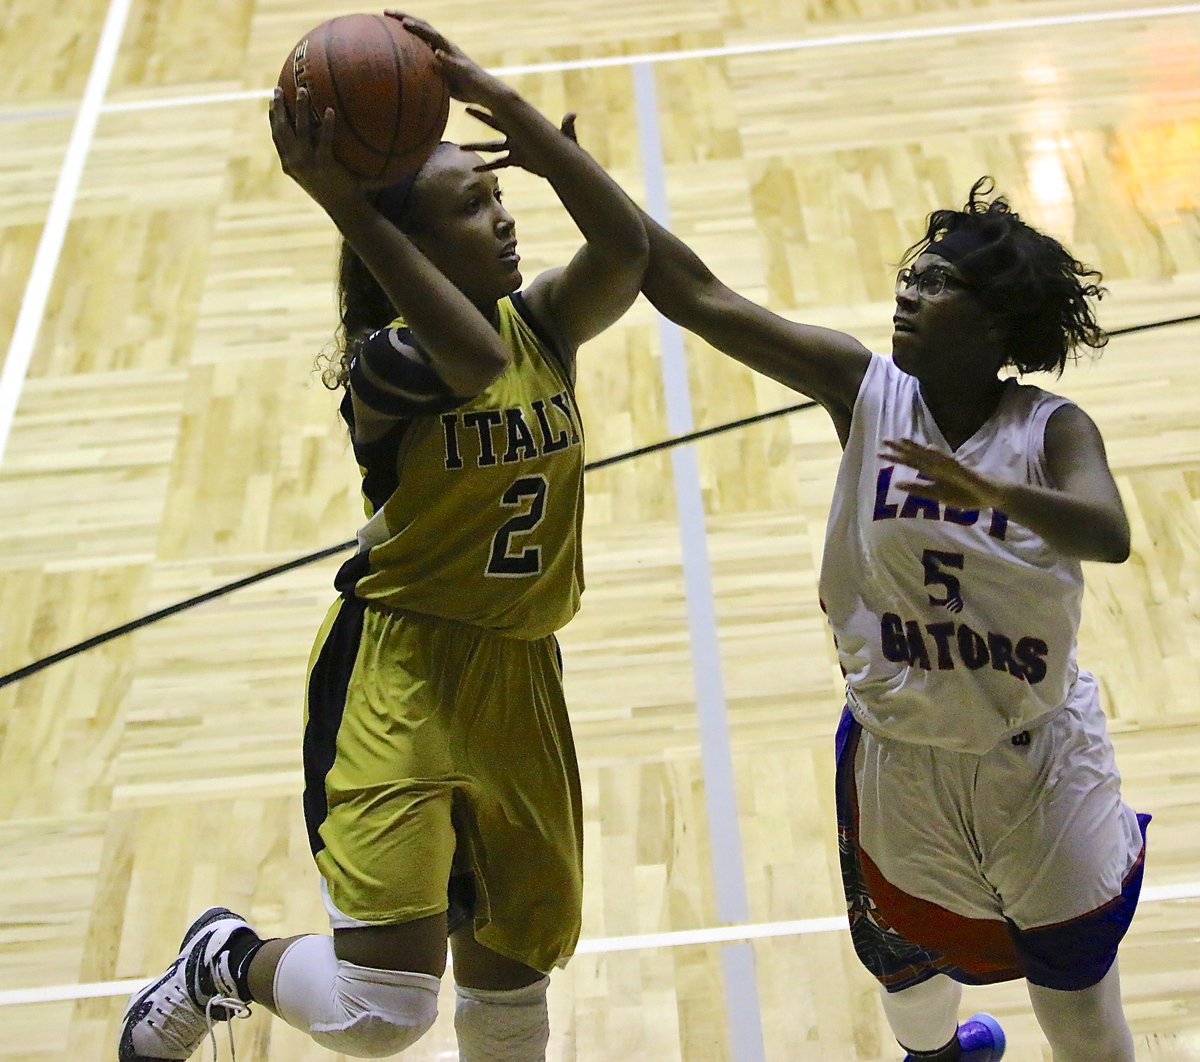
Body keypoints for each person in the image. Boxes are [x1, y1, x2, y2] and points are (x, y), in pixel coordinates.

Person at [118, 14, 646, 1062]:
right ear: (409, 242)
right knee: (382, 1013)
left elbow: (626, 250)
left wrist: (523, 125)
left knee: (512, 987)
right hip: (398, 671)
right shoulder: (390, 363)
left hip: (519, 673)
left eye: (499, 198)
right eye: (472, 208)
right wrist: (342, 203)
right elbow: (469, 359)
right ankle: (220, 958)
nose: (503, 222)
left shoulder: (541, 323)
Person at [639, 177, 1147, 1061]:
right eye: (915, 273)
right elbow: (693, 294)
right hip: (899, 750)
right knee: (904, 963)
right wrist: (545, 147)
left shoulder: (1053, 430)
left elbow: (1109, 534)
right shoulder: (862, 390)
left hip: (1036, 760)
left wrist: (992, 492)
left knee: (1080, 1009)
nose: (909, 289)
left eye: (940, 282)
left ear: (995, 327)